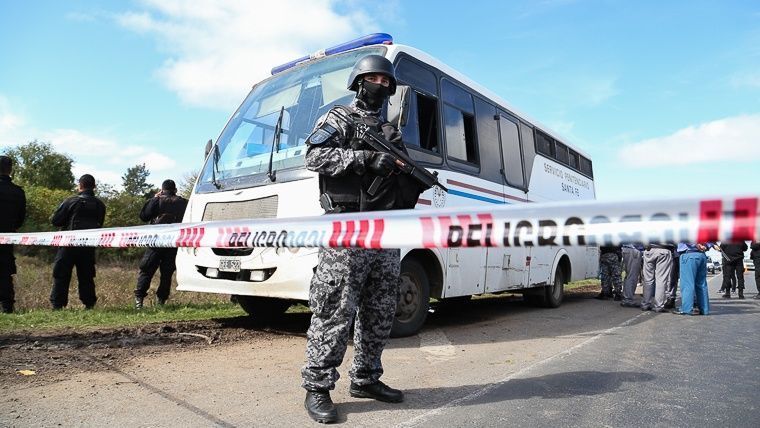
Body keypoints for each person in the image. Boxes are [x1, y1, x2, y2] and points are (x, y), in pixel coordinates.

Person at [300, 54, 429, 423]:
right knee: (336, 306)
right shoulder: (338, 118)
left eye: (387, 82)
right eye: (375, 79)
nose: (382, 86)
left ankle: (367, 378)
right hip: (346, 229)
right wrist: (363, 160)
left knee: (380, 308)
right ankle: (318, 386)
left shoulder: (391, 132)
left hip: (385, 231)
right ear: (359, 82)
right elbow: (314, 156)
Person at [49, 174, 106, 310]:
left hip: (68, 245)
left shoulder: (71, 201)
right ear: (94, 186)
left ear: (80, 185)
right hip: (88, 245)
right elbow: (100, 225)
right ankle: (89, 304)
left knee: (61, 275)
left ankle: (57, 306)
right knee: (87, 276)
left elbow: (55, 221)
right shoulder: (100, 205)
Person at [133, 180, 188, 309]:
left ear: (162, 189)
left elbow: (144, 216)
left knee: (146, 270)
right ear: (175, 189)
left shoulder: (157, 200)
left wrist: (153, 199)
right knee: (167, 273)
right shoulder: (183, 202)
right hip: (173, 241)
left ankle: (139, 301)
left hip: (156, 241)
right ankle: (161, 302)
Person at [0, 156, 26, 314]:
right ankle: (7, 307)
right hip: (7, 236)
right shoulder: (18, 192)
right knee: (4, 271)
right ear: (10, 169)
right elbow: (21, 217)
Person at [672, 241, 713, 315]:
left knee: (687, 284)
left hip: (689, 254)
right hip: (702, 255)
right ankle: (704, 309)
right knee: (701, 284)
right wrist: (707, 246)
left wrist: (696, 245)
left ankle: (686, 309)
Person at [641, 243, 675, 312]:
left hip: (649, 250)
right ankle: (658, 306)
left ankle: (645, 304)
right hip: (663, 250)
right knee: (661, 279)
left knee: (648, 280)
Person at [620, 243, 643, 308]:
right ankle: (628, 299)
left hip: (627, 248)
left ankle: (626, 297)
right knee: (632, 276)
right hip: (633, 249)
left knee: (629, 275)